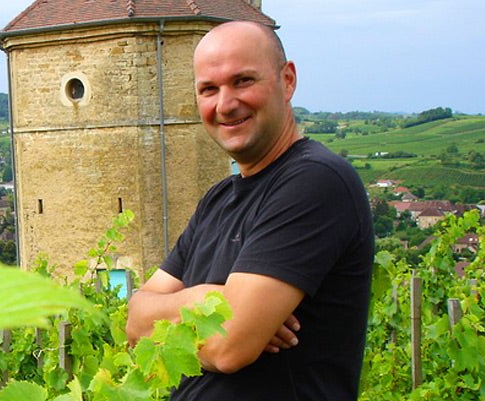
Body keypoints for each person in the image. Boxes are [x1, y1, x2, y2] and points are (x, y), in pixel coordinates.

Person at [125, 21, 374, 400]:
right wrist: (207, 298)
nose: (225, 104)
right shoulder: (217, 200)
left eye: (242, 81)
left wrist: (215, 323)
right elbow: (135, 320)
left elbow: (229, 348)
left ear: (287, 80)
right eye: (209, 89)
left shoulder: (315, 182)